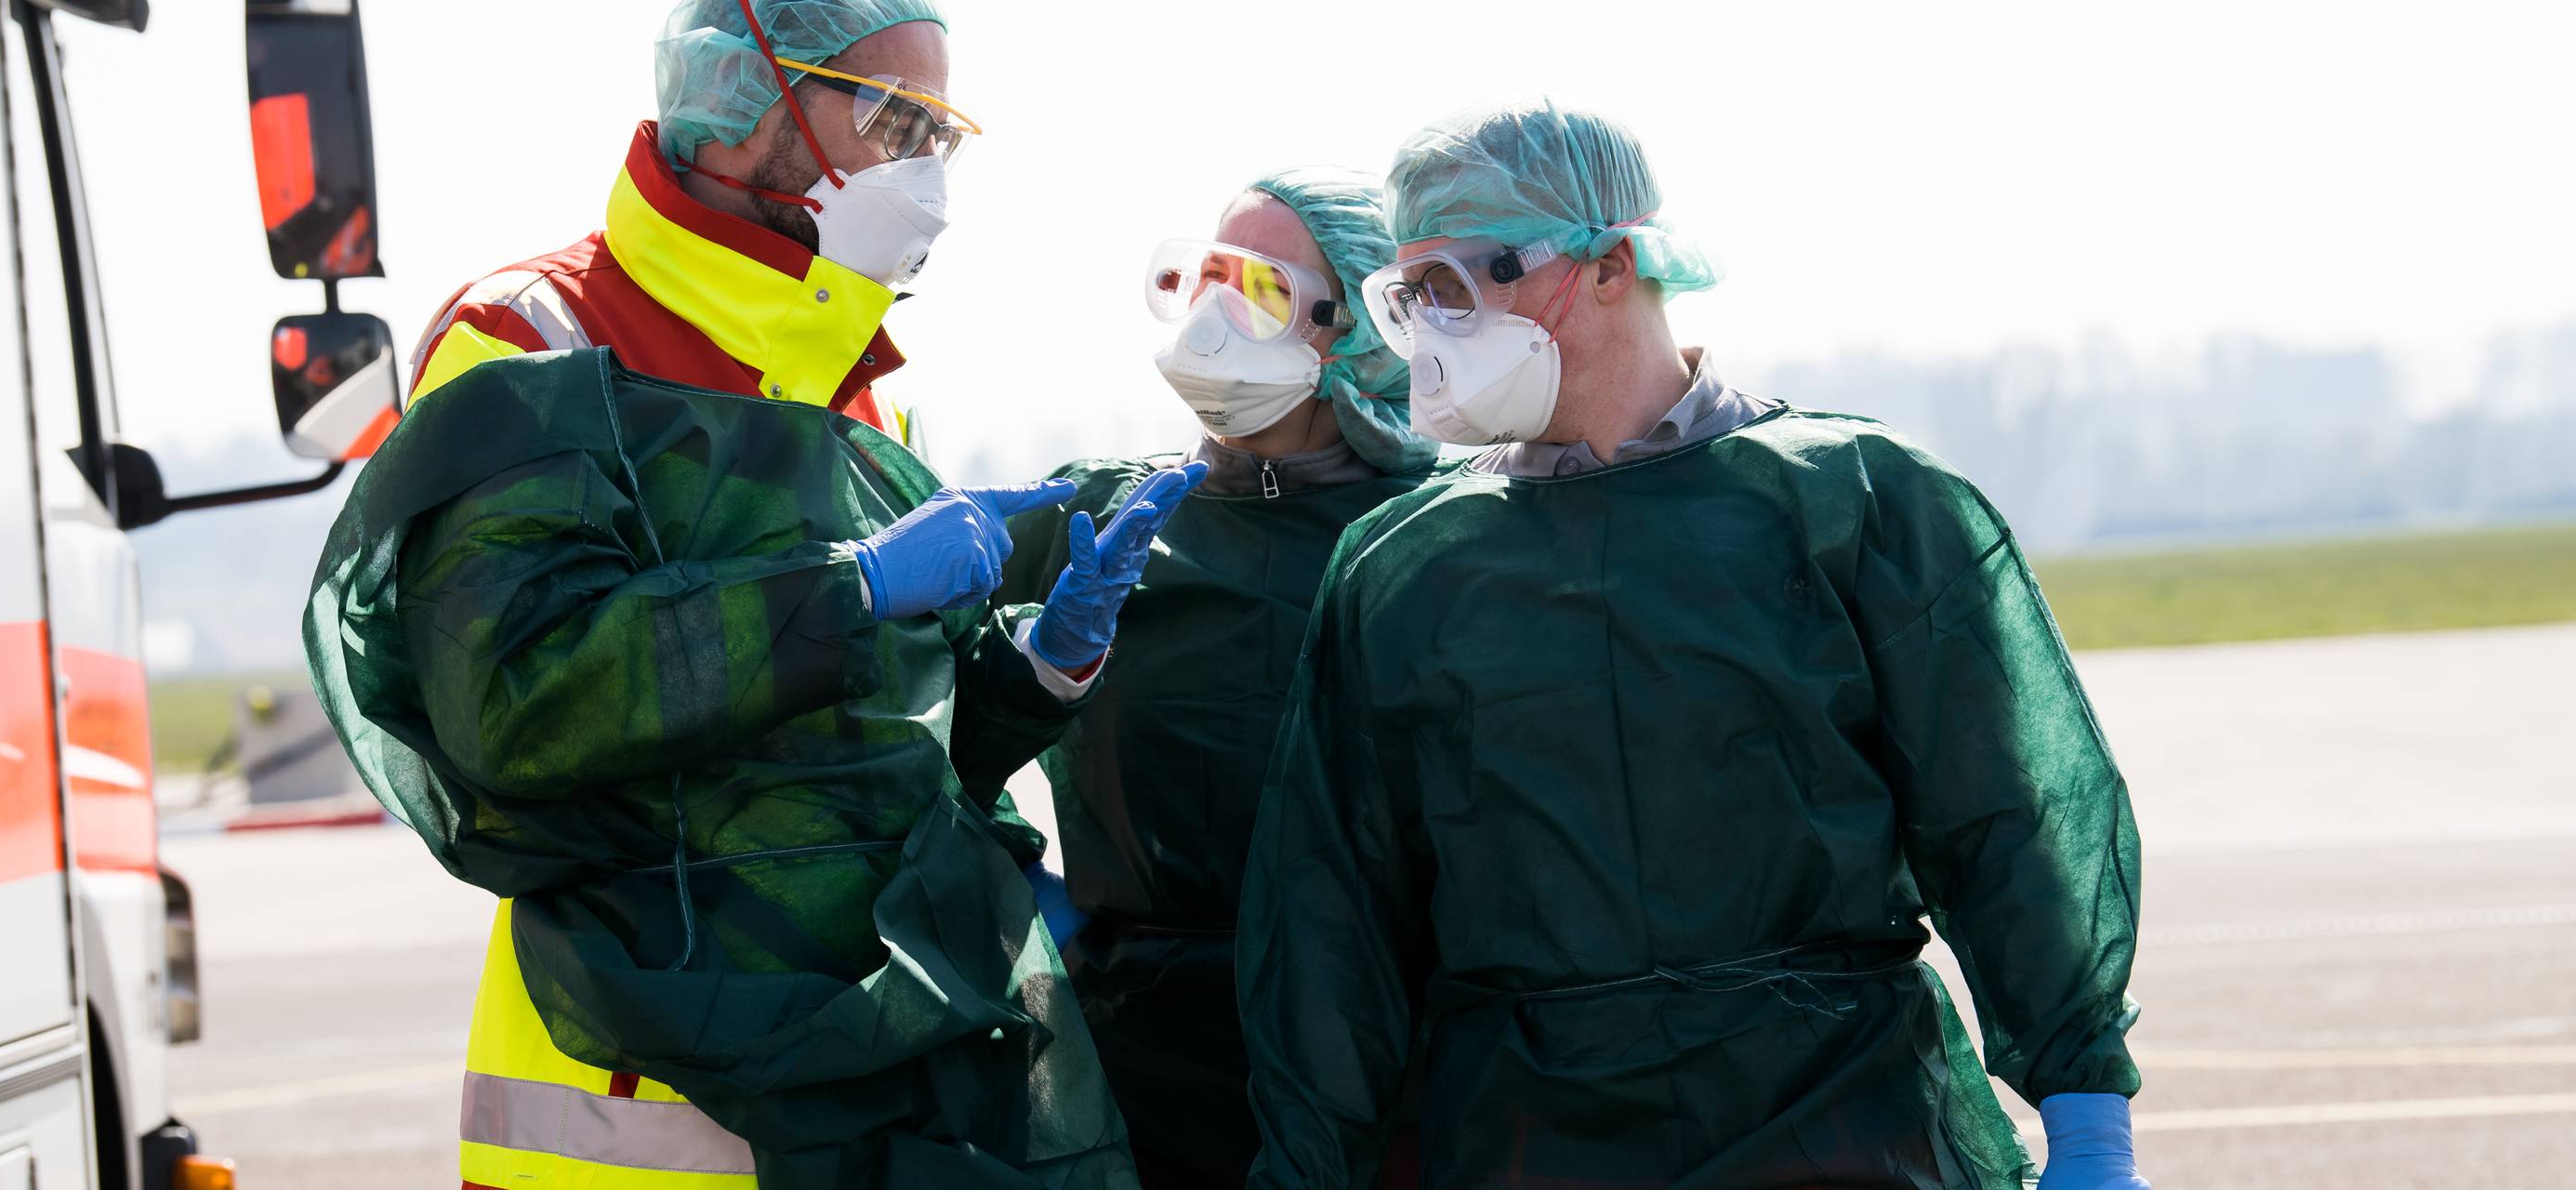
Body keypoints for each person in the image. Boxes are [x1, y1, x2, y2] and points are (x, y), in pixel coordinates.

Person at [310, 2, 1201, 1185]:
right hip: (632, 1106)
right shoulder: (536, 341)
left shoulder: (859, 389)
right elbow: (519, 702)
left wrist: (1038, 670)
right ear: (742, 105)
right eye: (893, 118)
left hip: (871, 1081)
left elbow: (882, 767)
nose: (925, 168)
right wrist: (855, 589)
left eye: (942, 132)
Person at [1235, 98, 2149, 1190]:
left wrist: (2088, 1116)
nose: (1435, 326)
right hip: (1535, 1142)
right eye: (1411, 293)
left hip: (1843, 1120)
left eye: (1463, 284)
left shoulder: (1853, 501)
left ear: (1613, 263)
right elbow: (1335, 917)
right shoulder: (1407, 568)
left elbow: (2009, 822)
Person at [993, 167, 1435, 1188]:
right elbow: (914, 705)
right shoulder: (1099, 526)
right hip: (1135, 1060)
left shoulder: (1444, 537)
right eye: (1203, 278)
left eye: (1264, 290)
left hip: (1390, 1057)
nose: (1214, 316)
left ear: (1360, 327)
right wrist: (1019, 890)